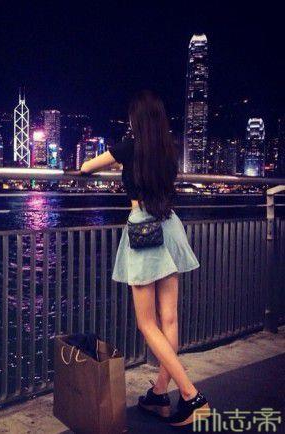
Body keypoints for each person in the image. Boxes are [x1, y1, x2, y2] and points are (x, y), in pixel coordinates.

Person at [78, 90, 211, 426]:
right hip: (169, 225)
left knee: (147, 323)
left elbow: (86, 167)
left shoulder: (128, 147)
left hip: (143, 231)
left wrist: (117, 159)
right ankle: (159, 394)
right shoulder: (168, 150)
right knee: (170, 320)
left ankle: (191, 395)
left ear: (135, 119)